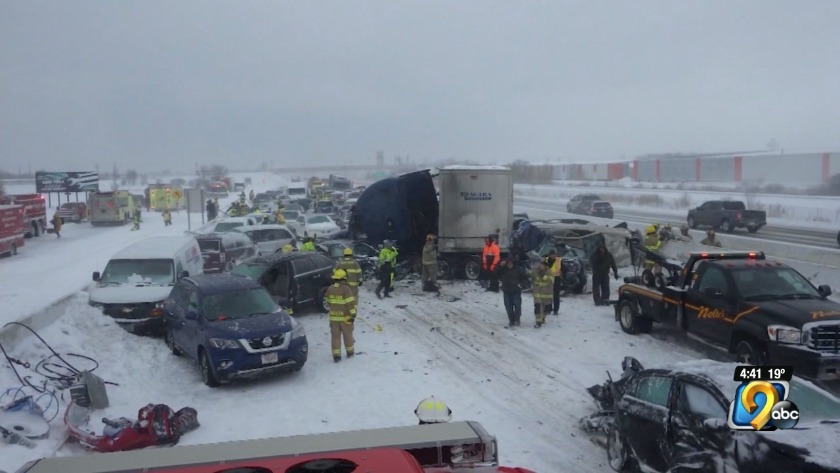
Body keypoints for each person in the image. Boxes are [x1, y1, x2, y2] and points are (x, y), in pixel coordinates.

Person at [325, 269, 356, 362]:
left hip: (333, 319)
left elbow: (328, 302)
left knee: (335, 337)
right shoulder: (346, 289)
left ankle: (336, 355)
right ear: (343, 279)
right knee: (348, 335)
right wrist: (353, 314)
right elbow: (350, 303)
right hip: (345, 318)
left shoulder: (330, 288)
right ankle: (350, 352)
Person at [496, 258, 528, 328]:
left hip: (516, 290)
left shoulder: (519, 269)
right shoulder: (503, 269)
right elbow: (495, 274)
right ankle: (511, 321)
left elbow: (525, 278)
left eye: (511, 263)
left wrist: (521, 285)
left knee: (517, 305)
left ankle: (517, 319)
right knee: (508, 307)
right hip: (506, 291)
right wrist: (499, 266)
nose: (509, 264)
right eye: (508, 263)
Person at [531, 263, 554, 328]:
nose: (539, 266)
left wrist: (543, 276)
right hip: (537, 294)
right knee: (537, 308)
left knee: (547, 310)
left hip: (547, 295)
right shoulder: (535, 271)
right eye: (539, 264)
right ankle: (538, 322)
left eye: (541, 264)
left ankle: (543, 317)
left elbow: (551, 280)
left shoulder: (549, 271)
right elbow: (530, 275)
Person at [544, 249, 562, 315]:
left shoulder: (558, 260)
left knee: (556, 296)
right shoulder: (546, 260)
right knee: (548, 296)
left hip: (557, 280)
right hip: (548, 280)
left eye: (554, 254)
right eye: (551, 255)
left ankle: (555, 310)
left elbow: (563, 269)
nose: (553, 256)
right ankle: (548, 309)